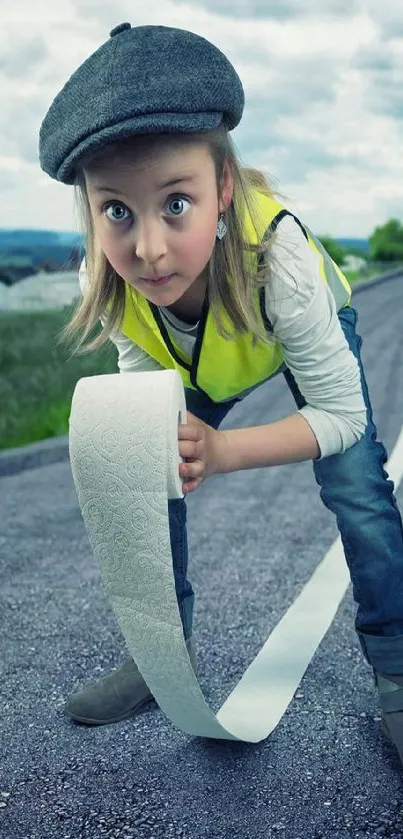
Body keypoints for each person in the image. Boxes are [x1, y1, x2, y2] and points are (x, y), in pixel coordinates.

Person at [39, 22, 403, 761]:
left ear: (224, 187)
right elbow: (150, 399)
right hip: (204, 364)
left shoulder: (280, 254)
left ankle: (396, 663)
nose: (147, 249)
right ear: (90, 208)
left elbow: (339, 416)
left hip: (298, 330)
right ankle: (157, 651)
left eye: (176, 202)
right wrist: (166, 446)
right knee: (147, 470)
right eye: (116, 210)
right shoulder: (109, 281)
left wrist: (224, 449)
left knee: (356, 484)